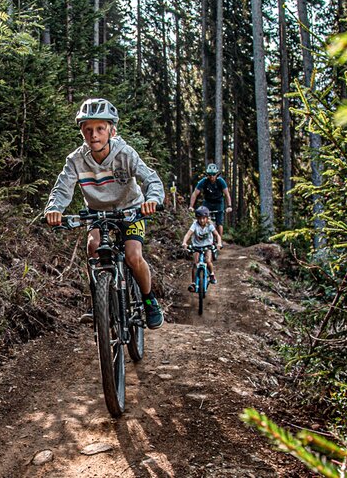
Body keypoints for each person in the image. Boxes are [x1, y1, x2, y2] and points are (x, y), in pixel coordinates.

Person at [45, 98, 165, 329]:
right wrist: (54, 209)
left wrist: (152, 200)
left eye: (100, 128)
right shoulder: (76, 160)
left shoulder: (125, 154)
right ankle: (99, 300)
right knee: (92, 246)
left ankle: (149, 300)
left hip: (130, 210)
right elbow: (62, 187)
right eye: (87, 130)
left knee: (132, 255)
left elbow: (151, 178)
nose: (94, 135)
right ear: (81, 132)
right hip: (98, 213)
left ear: (112, 130)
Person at [189, 163, 233, 241]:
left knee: (219, 222)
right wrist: (191, 206)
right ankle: (204, 237)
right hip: (207, 202)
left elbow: (227, 194)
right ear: (207, 175)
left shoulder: (221, 181)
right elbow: (195, 193)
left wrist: (229, 206)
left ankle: (219, 240)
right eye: (210, 174)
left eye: (213, 174)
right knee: (203, 218)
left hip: (218, 202)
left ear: (217, 174)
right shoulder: (204, 181)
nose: (212, 176)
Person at [181, 206, 221, 290]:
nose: (202, 220)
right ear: (197, 218)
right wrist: (184, 242)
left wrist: (219, 243)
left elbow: (217, 235)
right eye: (199, 218)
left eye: (204, 218)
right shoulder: (195, 225)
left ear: (207, 218)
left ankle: (212, 275)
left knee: (208, 261)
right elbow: (188, 234)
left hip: (208, 245)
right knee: (195, 263)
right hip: (197, 246)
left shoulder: (210, 225)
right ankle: (193, 283)